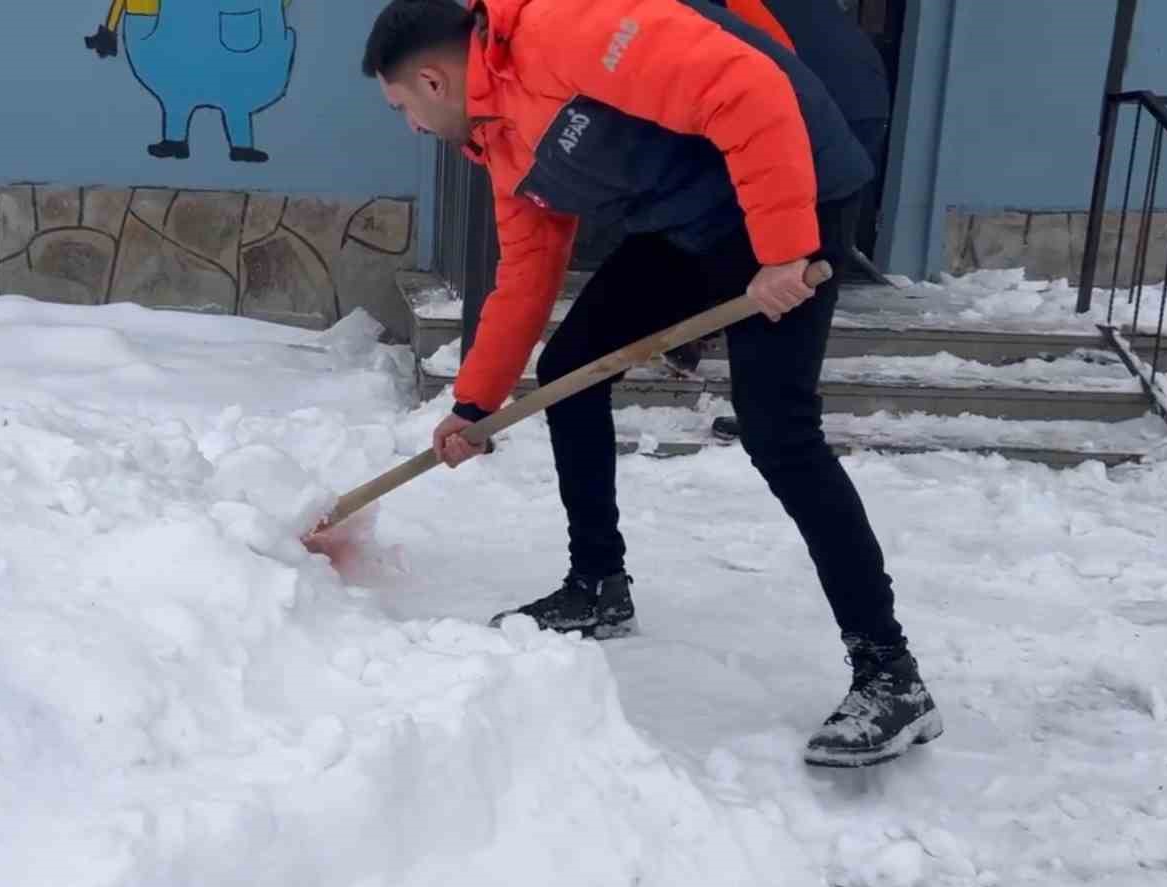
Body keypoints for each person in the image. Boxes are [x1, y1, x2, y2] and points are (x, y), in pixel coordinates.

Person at [361, 0, 941, 767]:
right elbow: (526, 275)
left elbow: (749, 87)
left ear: (434, 79)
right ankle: (597, 582)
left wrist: (784, 249)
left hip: (793, 181)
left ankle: (890, 674)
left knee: (778, 430)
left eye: (403, 107)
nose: (410, 125)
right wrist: (476, 404)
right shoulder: (499, 140)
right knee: (569, 371)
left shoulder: (566, 31)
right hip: (698, 222)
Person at [698, 0, 895, 444]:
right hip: (853, 95)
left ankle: (778, 412)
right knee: (788, 251)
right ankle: (773, 407)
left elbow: (770, 63)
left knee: (789, 257)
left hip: (823, 104)